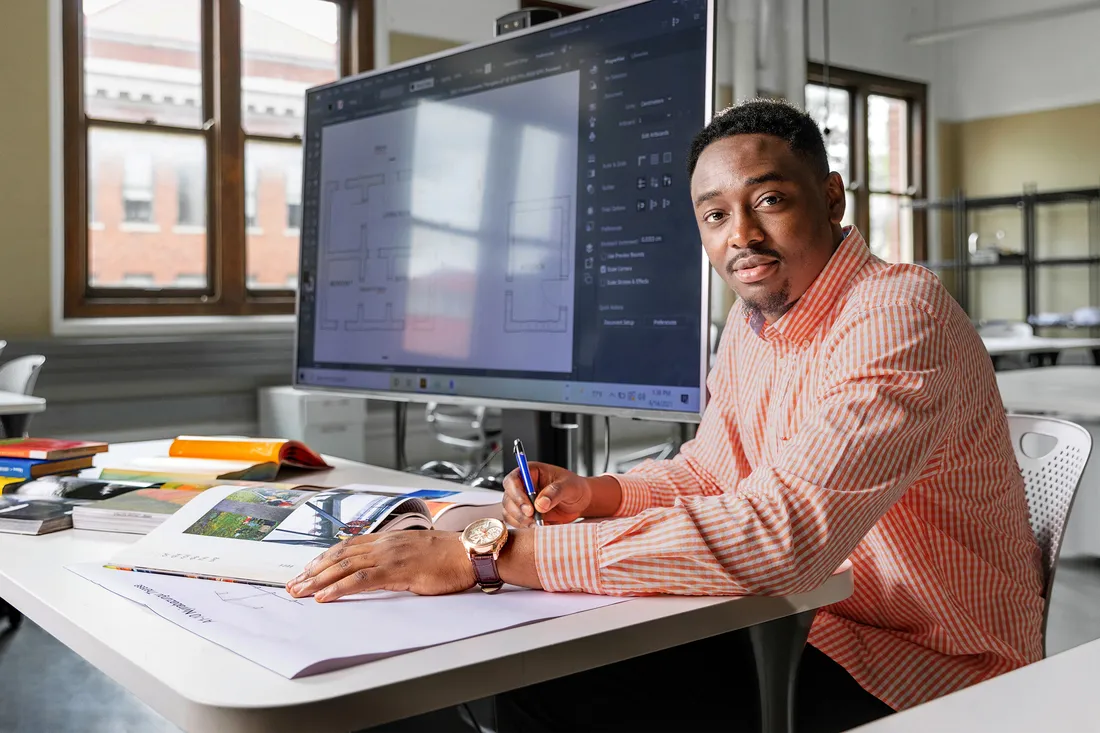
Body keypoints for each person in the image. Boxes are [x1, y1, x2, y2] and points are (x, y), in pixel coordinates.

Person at [287, 99, 1044, 732]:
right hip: (805, 624)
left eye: (769, 200)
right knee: (528, 663)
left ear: (834, 198)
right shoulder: (755, 324)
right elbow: (714, 470)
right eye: (714, 215)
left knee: (546, 682)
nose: (739, 235)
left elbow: (780, 537)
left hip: (926, 669)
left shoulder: (895, 314)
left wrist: (487, 555)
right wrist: (597, 494)